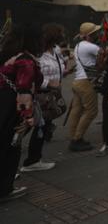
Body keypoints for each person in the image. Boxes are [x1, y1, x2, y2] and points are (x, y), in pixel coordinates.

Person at [0, 24, 43, 201]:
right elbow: (24, 91)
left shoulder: (6, 56)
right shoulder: (25, 60)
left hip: (2, 102)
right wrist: (28, 118)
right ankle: (4, 189)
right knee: (10, 147)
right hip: (11, 107)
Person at [21, 23, 69, 172]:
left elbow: (60, 67)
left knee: (40, 127)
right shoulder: (38, 54)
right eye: (61, 33)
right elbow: (33, 77)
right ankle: (27, 160)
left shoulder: (55, 50)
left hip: (51, 97)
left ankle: (33, 160)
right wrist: (49, 83)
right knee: (26, 127)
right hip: (40, 96)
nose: (63, 36)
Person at [67, 22, 104, 152]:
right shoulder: (91, 46)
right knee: (91, 111)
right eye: (96, 32)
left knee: (76, 111)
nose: (99, 34)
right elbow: (105, 53)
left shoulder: (78, 45)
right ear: (91, 35)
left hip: (78, 81)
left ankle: (73, 136)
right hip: (86, 82)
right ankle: (77, 139)